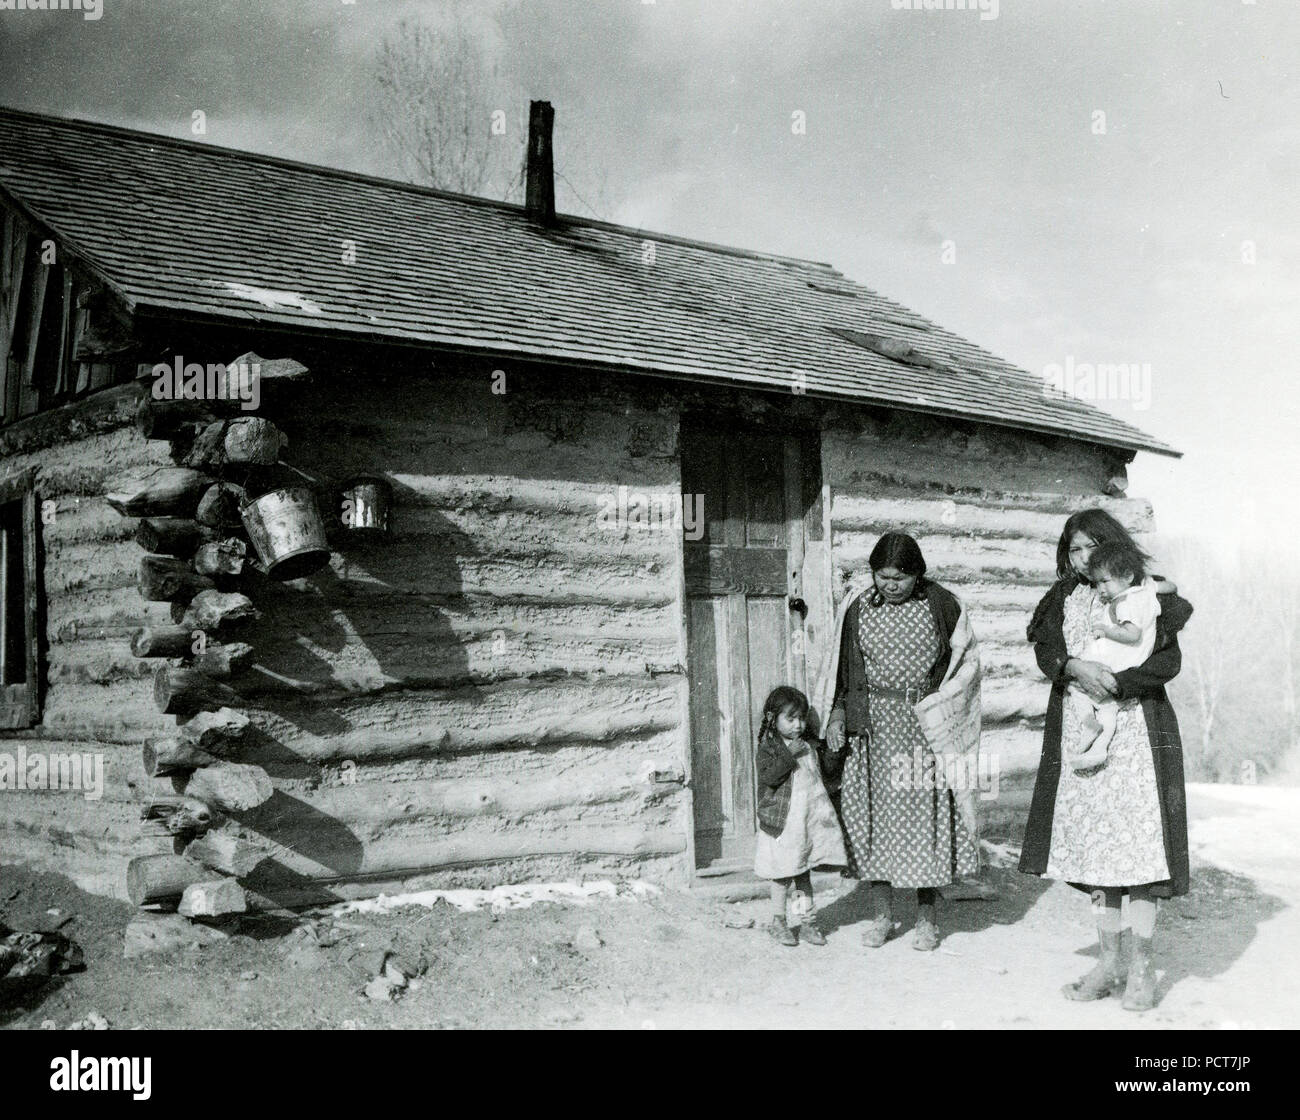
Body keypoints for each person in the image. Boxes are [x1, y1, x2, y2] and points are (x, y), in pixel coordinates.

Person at [1018, 509, 1193, 1012]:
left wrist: (1114, 682)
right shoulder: (1062, 600)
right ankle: (1108, 962)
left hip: (1137, 733)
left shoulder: (1145, 595)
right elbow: (1046, 651)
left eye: (1092, 547)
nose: (1082, 558)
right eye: (1073, 549)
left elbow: (1167, 662)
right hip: (1083, 731)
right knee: (1100, 853)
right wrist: (1072, 665)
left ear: (1113, 547)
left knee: (1140, 853)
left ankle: (1139, 969)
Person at [819, 533, 982, 952]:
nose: (890, 585)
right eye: (882, 576)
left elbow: (964, 663)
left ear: (917, 574)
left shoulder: (940, 604)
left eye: (900, 578)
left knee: (921, 824)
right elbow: (844, 671)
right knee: (874, 823)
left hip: (921, 729)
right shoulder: (858, 608)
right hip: (873, 729)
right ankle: (882, 916)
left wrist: (943, 706)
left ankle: (926, 920)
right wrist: (839, 713)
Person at [1066, 540, 1176, 771]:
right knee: (1109, 708)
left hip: (1114, 660)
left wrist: (1106, 630)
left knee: (1076, 689)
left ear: (1126, 577)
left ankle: (1088, 725)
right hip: (1130, 662)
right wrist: (1158, 585)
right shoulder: (1145, 591)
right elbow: (1170, 587)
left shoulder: (1126, 602)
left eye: (1105, 581)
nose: (1101, 590)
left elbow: (1132, 633)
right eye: (1097, 583)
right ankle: (1100, 747)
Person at [753, 686, 848, 947]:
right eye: (790, 719)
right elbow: (769, 777)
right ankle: (779, 921)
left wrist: (832, 751)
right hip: (783, 825)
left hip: (805, 824)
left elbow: (820, 776)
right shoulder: (770, 748)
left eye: (801, 719)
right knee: (782, 874)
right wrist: (788, 755)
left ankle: (807, 922)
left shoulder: (807, 746)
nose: (797, 725)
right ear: (774, 719)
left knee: (803, 873)